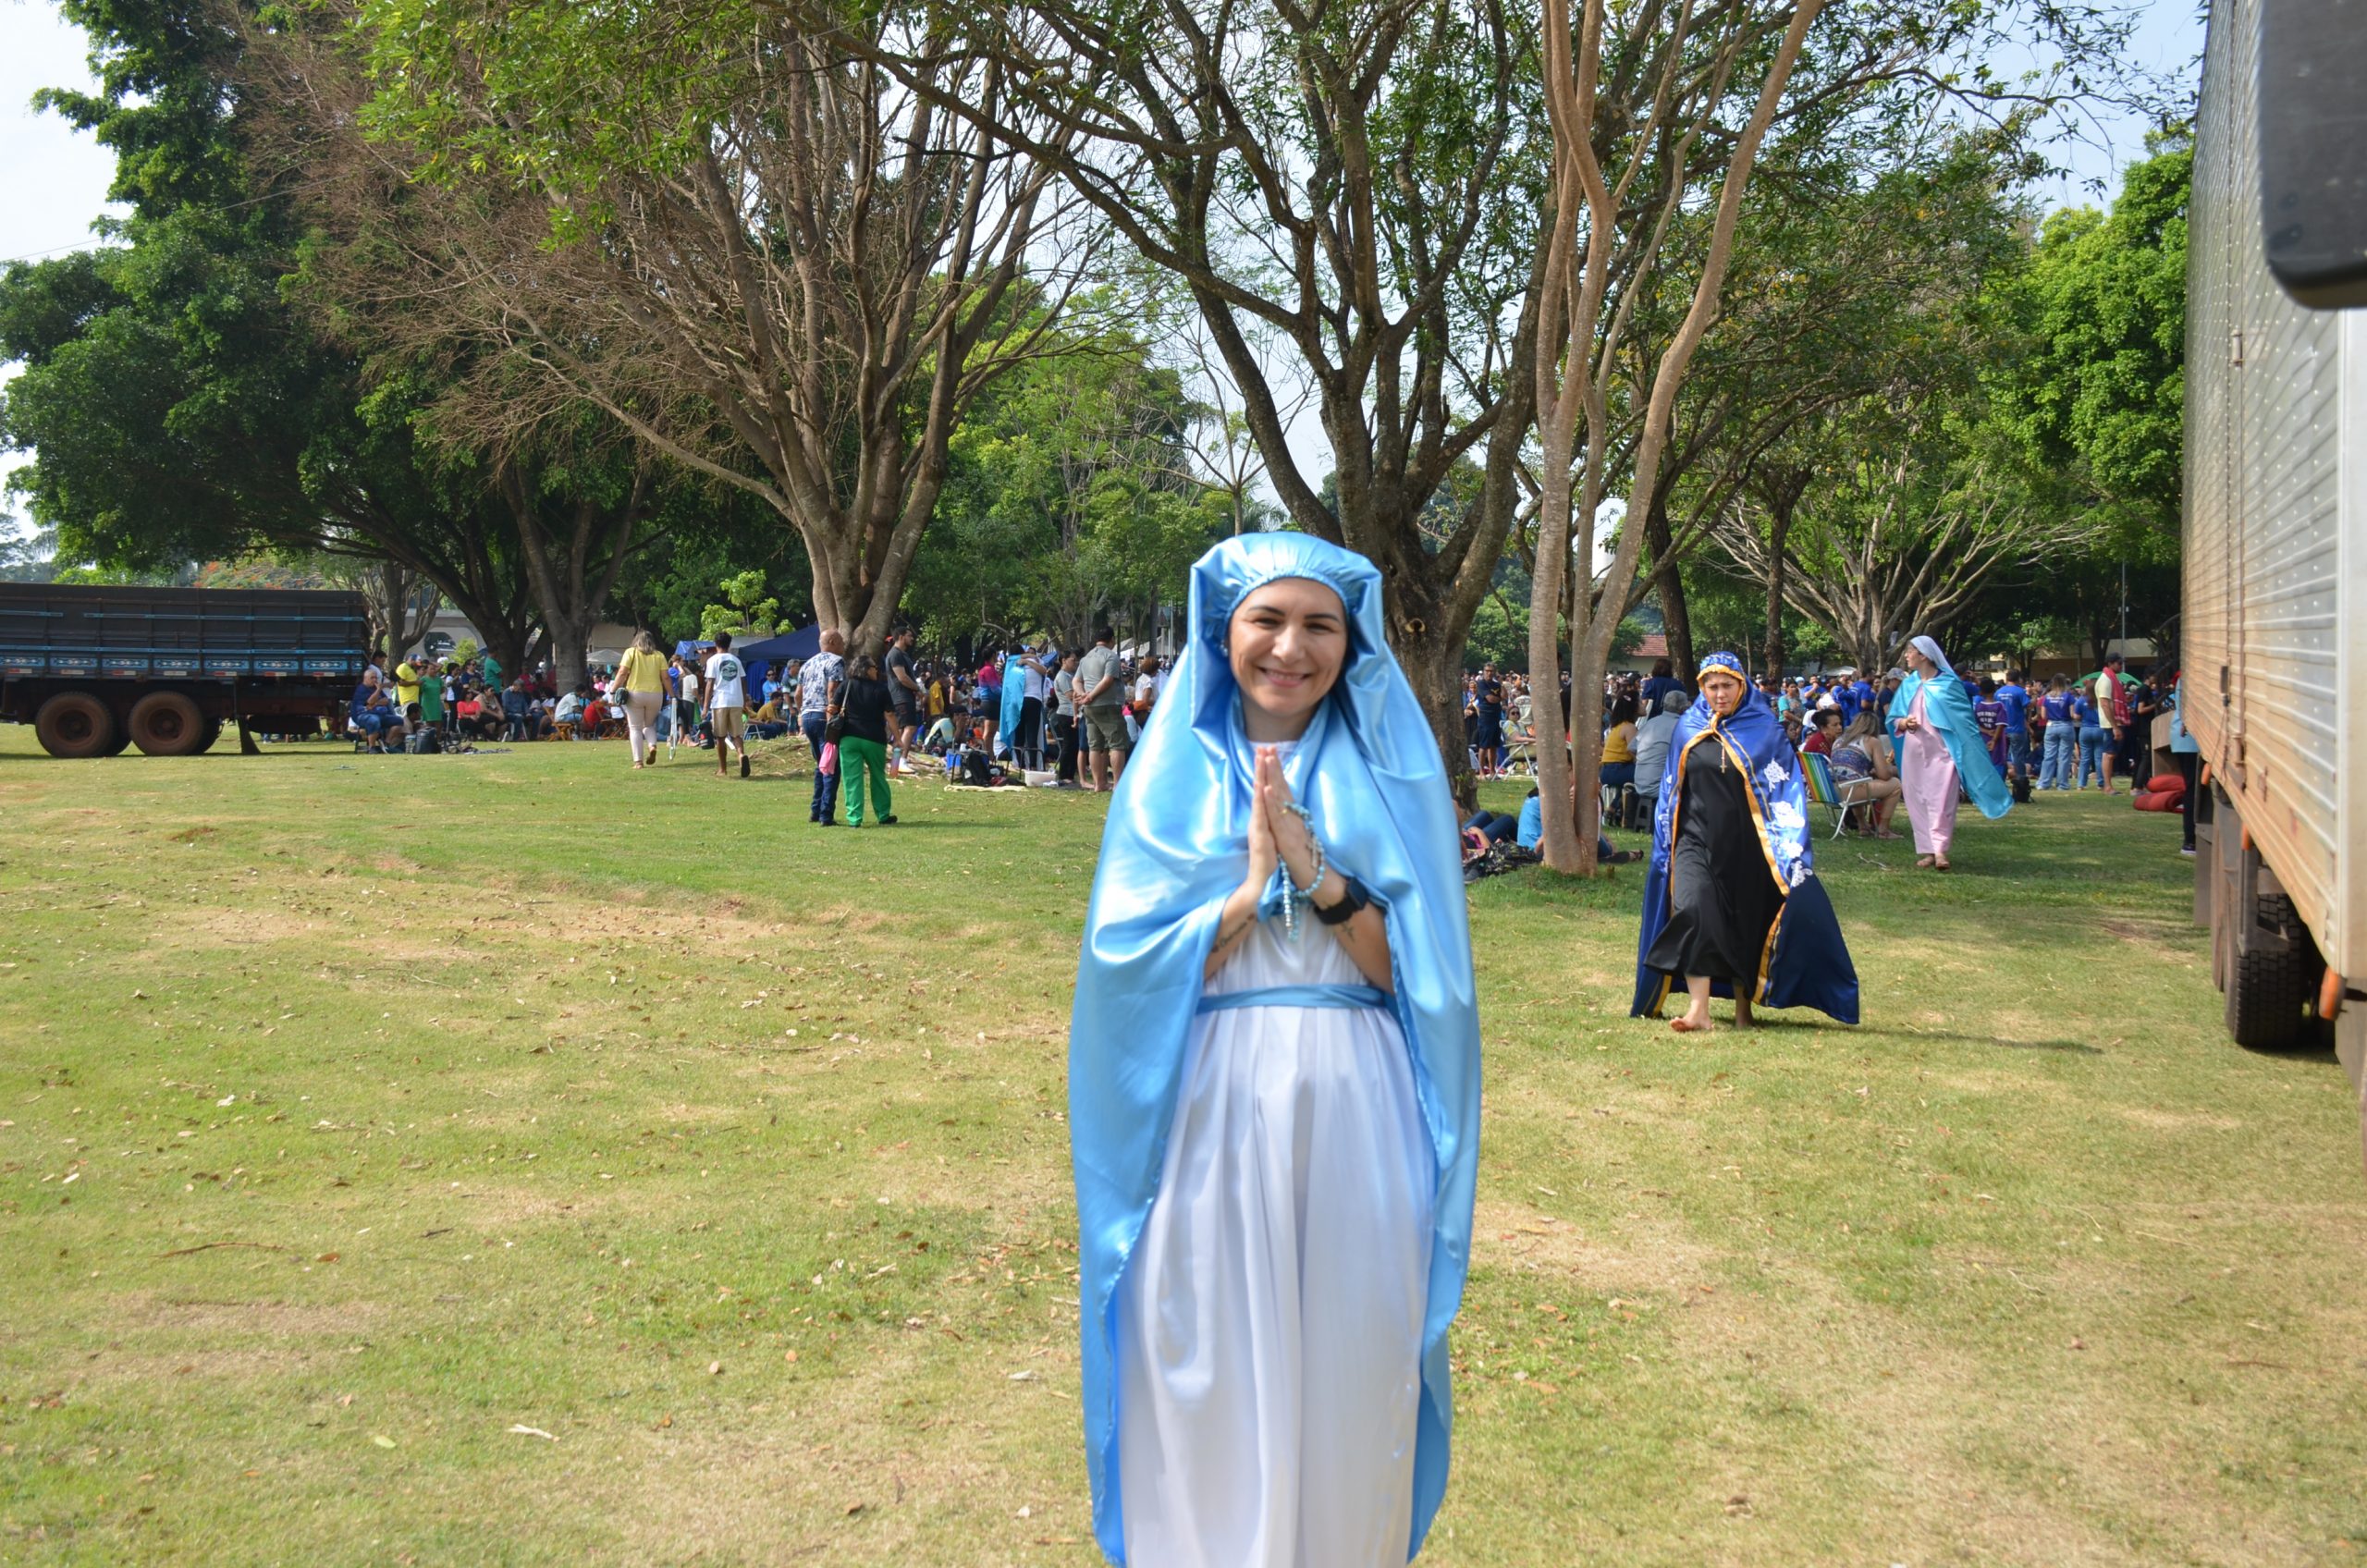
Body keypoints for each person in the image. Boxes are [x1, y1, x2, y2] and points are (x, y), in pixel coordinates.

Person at [1070, 533, 1478, 1567]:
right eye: (1267, 620)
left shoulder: (1392, 770)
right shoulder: (1169, 773)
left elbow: (1415, 978)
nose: (1289, 648)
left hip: (1355, 1102)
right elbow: (1125, 971)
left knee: (1350, 1359)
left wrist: (1321, 875)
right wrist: (1249, 895)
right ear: (1225, 629)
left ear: (1351, 640)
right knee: (1200, 1355)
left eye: (1318, 626)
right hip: (1205, 1099)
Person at [1632, 650, 1858, 1033]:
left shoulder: (1763, 729)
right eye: (1711, 686)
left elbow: (1784, 787)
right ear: (1701, 688)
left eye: (1726, 686)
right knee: (1693, 910)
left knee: (1744, 923)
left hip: (1749, 846)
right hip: (1692, 842)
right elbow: (1672, 788)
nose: (1719, 693)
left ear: (1742, 685)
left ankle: (1743, 1010)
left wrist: (1790, 847)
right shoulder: (1688, 726)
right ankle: (1698, 1010)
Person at [1888, 635, 2012, 870]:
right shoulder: (1909, 685)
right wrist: (1904, 722)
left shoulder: (1949, 684)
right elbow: (1893, 718)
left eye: (1910, 651)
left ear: (1924, 655)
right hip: (1914, 753)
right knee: (1917, 800)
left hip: (1943, 752)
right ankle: (1927, 850)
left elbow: (1964, 720)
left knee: (1942, 800)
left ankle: (1941, 850)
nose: (1906, 655)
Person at [836, 652, 899, 827]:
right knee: (878, 777)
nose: (877, 670)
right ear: (866, 669)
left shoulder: (845, 686)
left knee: (851, 779)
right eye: (874, 667)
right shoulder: (880, 688)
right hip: (874, 738)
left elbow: (832, 708)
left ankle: (854, 818)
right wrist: (898, 738)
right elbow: (890, 715)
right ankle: (883, 814)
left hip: (849, 737)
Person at [798, 629, 845, 826]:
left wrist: (801, 714)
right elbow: (832, 690)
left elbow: (797, 694)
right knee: (832, 765)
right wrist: (831, 718)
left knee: (821, 765)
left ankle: (815, 810)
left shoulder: (807, 664)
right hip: (822, 716)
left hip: (808, 716)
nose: (843, 646)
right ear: (833, 641)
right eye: (841, 642)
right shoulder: (836, 661)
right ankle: (826, 814)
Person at [1832, 712, 1903, 838]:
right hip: (1849, 792)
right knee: (1895, 784)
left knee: (1858, 781)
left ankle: (1863, 826)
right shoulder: (1871, 741)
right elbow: (1884, 775)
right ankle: (1883, 830)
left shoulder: (1839, 740)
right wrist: (1894, 770)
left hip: (1831, 792)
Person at [1076, 626, 1128, 791]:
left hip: (1089, 708)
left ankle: (1099, 784)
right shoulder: (1111, 656)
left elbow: (1076, 681)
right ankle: (1118, 783)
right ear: (1112, 640)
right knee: (1116, 744)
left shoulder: (1086, 658)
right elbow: (1107, 680)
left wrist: (1084, 695)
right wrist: (1090, 696)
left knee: (1095, 746)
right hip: (1108, 704)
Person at [613, 631, 670, 767]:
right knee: (649, 725)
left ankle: (638, 762)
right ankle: (652, 746)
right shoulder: (659, 655)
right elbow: (666, 678)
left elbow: (622, 672)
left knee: (635, 728)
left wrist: (613, 690)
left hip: (635, 693)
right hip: (655, 694)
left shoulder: (631, 653)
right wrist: (672, 694)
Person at [1632, 688, 1686, 816]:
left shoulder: (1651, 722)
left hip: (1640, 782)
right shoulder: (1681, 726)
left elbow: (1631, 748)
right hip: (1662, 786)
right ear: (1683, 708)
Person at [705, 632, 750, 778]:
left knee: (720, 736)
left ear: (715, 644)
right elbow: (743, 681)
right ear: (729, 644)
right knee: (737, 734)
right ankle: (741, 755)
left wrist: (705, 706)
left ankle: (723, 769)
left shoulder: (712, 660)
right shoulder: (736, 660)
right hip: (736, 700)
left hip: (720, 701)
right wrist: (743, 701)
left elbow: (710, 683)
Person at [886, 628, 923, 774]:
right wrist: (918, 689)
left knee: (901, 731)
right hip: (901, 696)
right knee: (910, 727)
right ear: (901, 637)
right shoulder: (895, 654)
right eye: (909, 635)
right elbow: (902, 677)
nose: (912, 637)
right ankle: (902, 760)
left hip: (904, 696)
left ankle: (895, 765)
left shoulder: (902, 654)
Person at [349, 668, 406, 753]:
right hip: (362, 715)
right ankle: (372, 747)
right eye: (372, 678)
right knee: (374, 720)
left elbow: (385, 700)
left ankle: (387, 743)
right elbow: (370, 701)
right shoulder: (361, 689)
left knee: (399, 720)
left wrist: (375, 703)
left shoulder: (375, 688)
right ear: (365, 679)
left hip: (379, 713)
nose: (375, 680)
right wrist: (379, 690)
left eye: (375, 677)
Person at [1995, 668, 2033, 788]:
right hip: (2017, 728)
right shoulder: (2020, 691)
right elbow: (2028, 706)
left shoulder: (1998, 692)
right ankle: (2021, 781)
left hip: (2002, 729)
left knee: (2002, 756)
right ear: (2018, 679)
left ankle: (2000, 780)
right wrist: (2034, 696)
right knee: (2018, 756)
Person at [1052, 649, 1083, 786]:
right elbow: (1071, 695)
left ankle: (1070, 773)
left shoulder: (1071, 675)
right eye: (1072, 660)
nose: (1075, 663)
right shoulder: (1062, 676)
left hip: (1073, 713)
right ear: (1064, 661)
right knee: (1068, 745)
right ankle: (1063, 774)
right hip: (1066, 713)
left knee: (1074, 745)